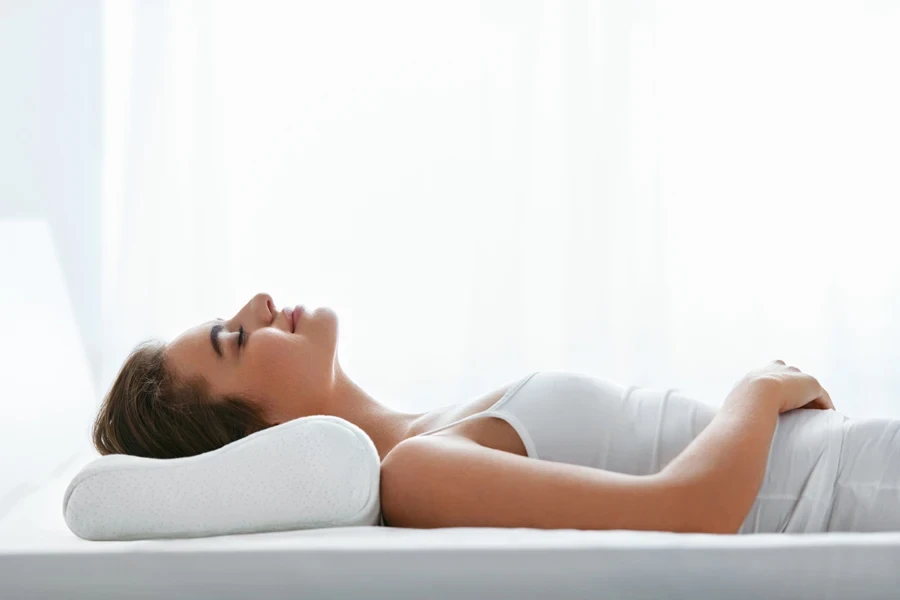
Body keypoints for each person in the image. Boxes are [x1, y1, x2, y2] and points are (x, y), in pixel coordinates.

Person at [92, 292, 900, 534]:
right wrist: (757, 392)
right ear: (254, 438)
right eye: (235, 338)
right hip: (855, 495)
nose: (259, 303)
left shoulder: (429, 435)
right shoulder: (418, 471)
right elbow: (686, 517)